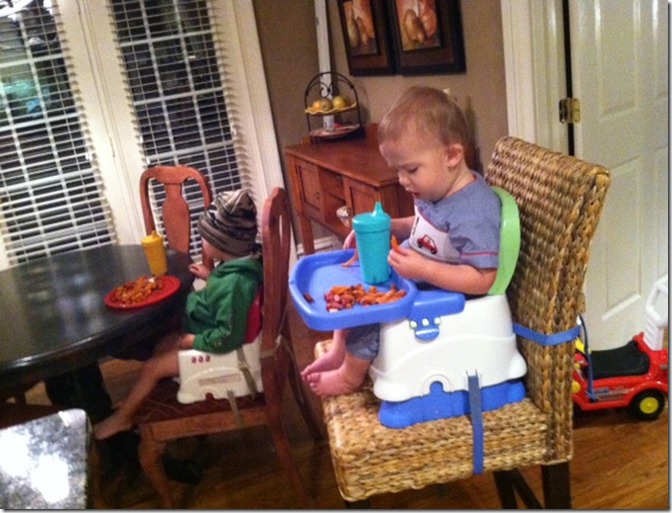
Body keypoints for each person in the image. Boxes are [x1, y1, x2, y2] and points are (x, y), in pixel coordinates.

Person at [301, 86, 501, 397]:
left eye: (411, 170)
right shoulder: (436, 189)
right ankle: (340, 348)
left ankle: (349, 376)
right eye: (397, 171)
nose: (403, 181)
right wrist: (386, 229)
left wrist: (424, 269)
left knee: (372, 310)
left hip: (443, 295)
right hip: (414, 277)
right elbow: (422, 229)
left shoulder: (473, 212)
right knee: (357, 282)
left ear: (452, 155)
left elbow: (484, 279)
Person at [94, 189, 263, 440]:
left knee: (153, 366)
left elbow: (229, 334)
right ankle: (141, 398)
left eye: (205, 237)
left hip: (222, 352)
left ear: (222, 243)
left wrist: (193, 341)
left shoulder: (235, 284)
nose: (202, 241)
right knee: (162, 345)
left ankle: (122, 419)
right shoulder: (238, 268)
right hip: (205, 330)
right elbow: (232, 297)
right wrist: (212, 277)